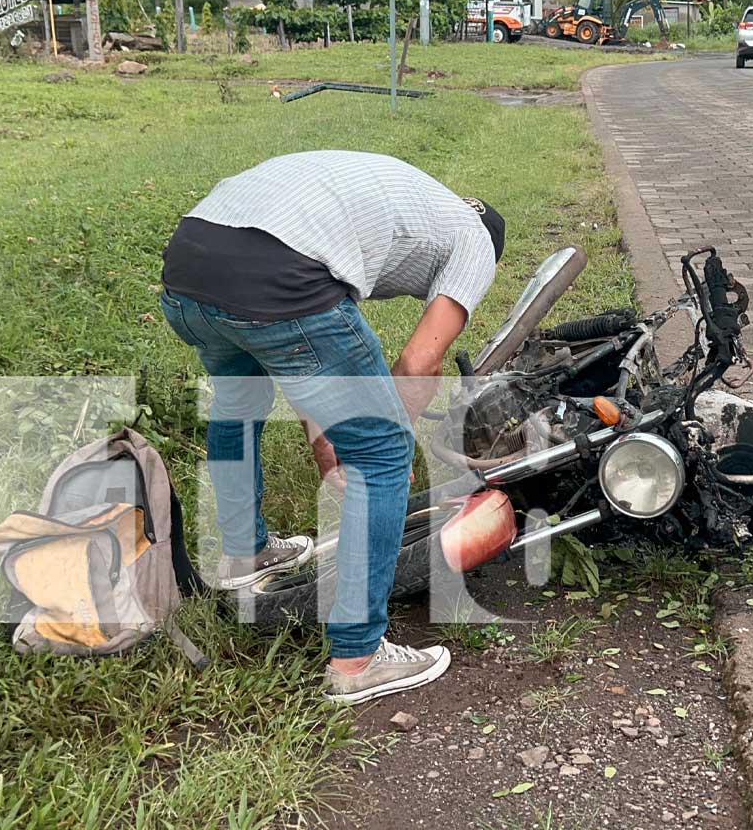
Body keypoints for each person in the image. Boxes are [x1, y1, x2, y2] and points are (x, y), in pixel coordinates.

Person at [158, 150, 505, 703]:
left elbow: (301, 354)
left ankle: (245, 556)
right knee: (386, 450)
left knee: (238, 400)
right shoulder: (478, 239)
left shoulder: (409, 202)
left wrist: (326, 443)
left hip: (190, 263)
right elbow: (419, 361)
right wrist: (380, 439)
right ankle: (358, 657)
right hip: (279, 272)